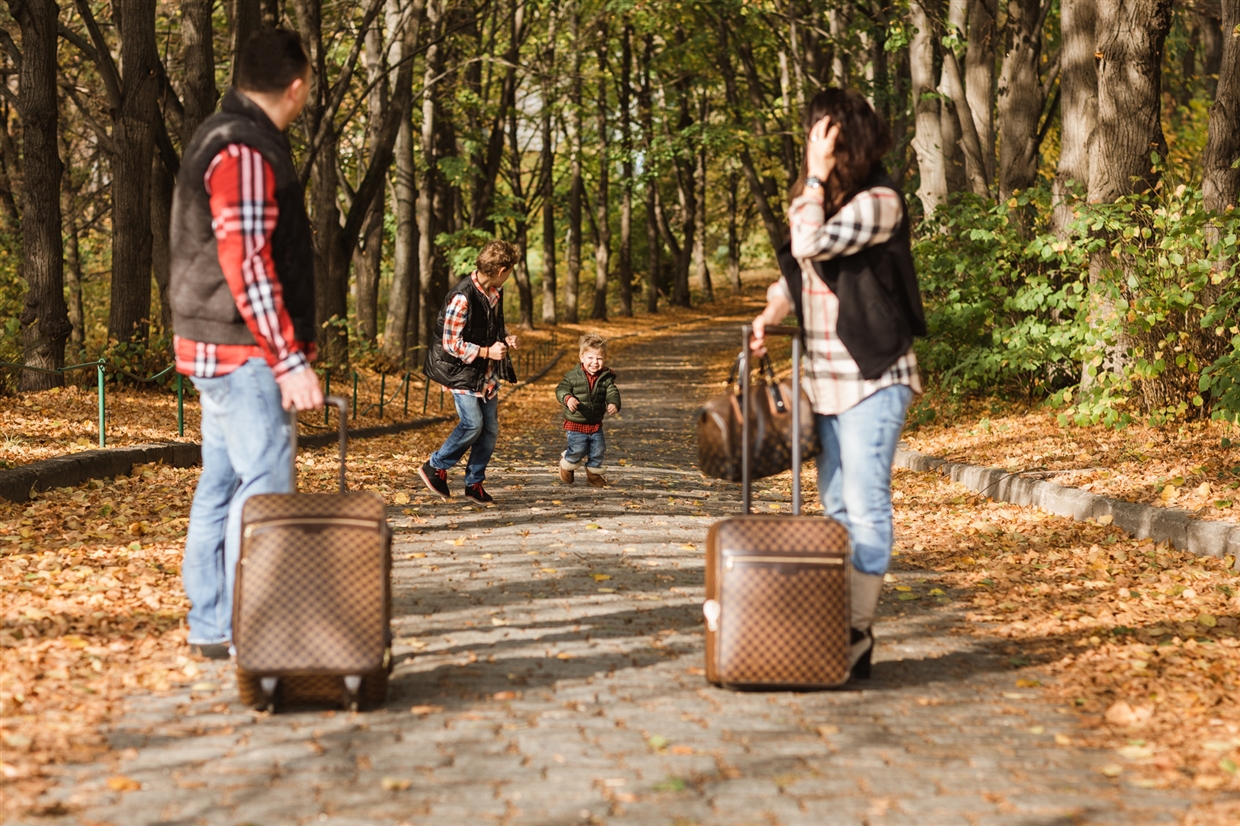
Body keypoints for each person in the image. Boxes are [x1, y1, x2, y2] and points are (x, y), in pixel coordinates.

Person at [750, 88, 926, 678]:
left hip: (874, 379)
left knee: (866, 507)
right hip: (824, 383)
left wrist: (814, 176)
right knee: (836, 505)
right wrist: (771, 313)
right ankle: (849, 632)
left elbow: (810, 242)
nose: (813, 146)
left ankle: (852, 631)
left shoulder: (881, 201)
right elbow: (800, 271)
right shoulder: (829, 200)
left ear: (844, 142)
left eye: (822, 136)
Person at [169, 29, 323, 660]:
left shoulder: (222, 134)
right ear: (296, 86)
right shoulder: (245, 149)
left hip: (218, 347)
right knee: (264, 488)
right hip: (244, 353)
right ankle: (254, 632)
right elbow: (247, 263)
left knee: (223, 483)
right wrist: (288, 361)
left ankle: (213, 626)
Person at [419, 240, 522, 504]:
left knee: (489, 430)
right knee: (472, 424)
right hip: (461, 372)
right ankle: (434, 466)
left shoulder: (494, 291)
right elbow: (451, 343)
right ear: (501, 270)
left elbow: (489, 326)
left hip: (485, 374)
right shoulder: (462, 297)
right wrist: (488, 352)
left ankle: (474, 483)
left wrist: (506, 337)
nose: (509, 276)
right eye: (510, 271)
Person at [556, 333, 621, 487]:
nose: (594, 362)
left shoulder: (606, 377)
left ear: (604, 359)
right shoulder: (572, 376)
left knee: (598, 449)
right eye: (590, 358)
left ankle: (593, 475)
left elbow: (612, 392)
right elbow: (561, 389)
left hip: (595, 422)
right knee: (578, 448)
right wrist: (568, 398)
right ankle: (567, 463)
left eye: (599, 358)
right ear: (582, 357)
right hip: (576, 422)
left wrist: (613, 403)